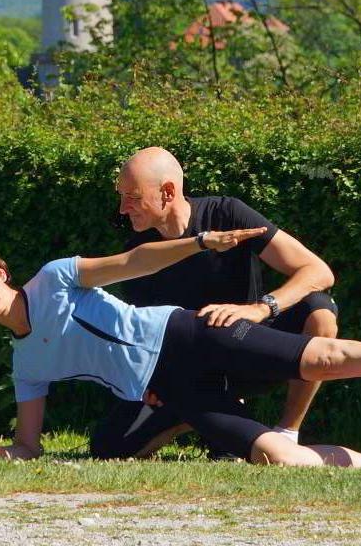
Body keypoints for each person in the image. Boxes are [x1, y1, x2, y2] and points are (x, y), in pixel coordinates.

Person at [0, 236, 361, 469]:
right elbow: (29, 445)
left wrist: (199, 243)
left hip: (186, 335)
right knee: (280, 461)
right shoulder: (24, 362)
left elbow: (136, 263)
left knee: (322, 357)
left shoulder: (56, 278)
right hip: (170, 391)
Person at [91, 146, 338, 459]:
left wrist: (261, 308)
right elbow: (143, 338)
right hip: (194, 373)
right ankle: (203, 420)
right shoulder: (138, 253)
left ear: (167, 192)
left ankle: (287, 432)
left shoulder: (227, 214)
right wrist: (146, 379)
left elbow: (318, 271)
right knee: (108, 448)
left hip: (252, 348)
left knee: (319, 309)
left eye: (133, 197)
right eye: (121, 196)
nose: (123, 208)